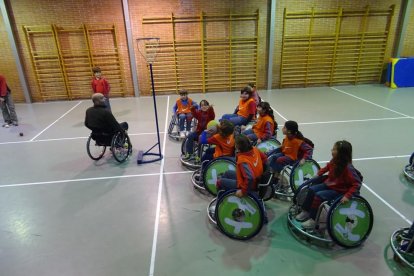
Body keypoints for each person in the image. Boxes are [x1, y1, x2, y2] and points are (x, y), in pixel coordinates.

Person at [295, 140, 362, 229]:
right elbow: (326, 167)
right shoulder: (334, 161)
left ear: (341, 153)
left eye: (334, 149)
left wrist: (347, 196)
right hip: (330, 184)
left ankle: (313, 219)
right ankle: (306, 211)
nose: (331, 150)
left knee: (318, 196)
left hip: (339, 191)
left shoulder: (348, 168)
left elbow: (357, 184)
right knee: (311, 189)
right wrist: (318, 174)